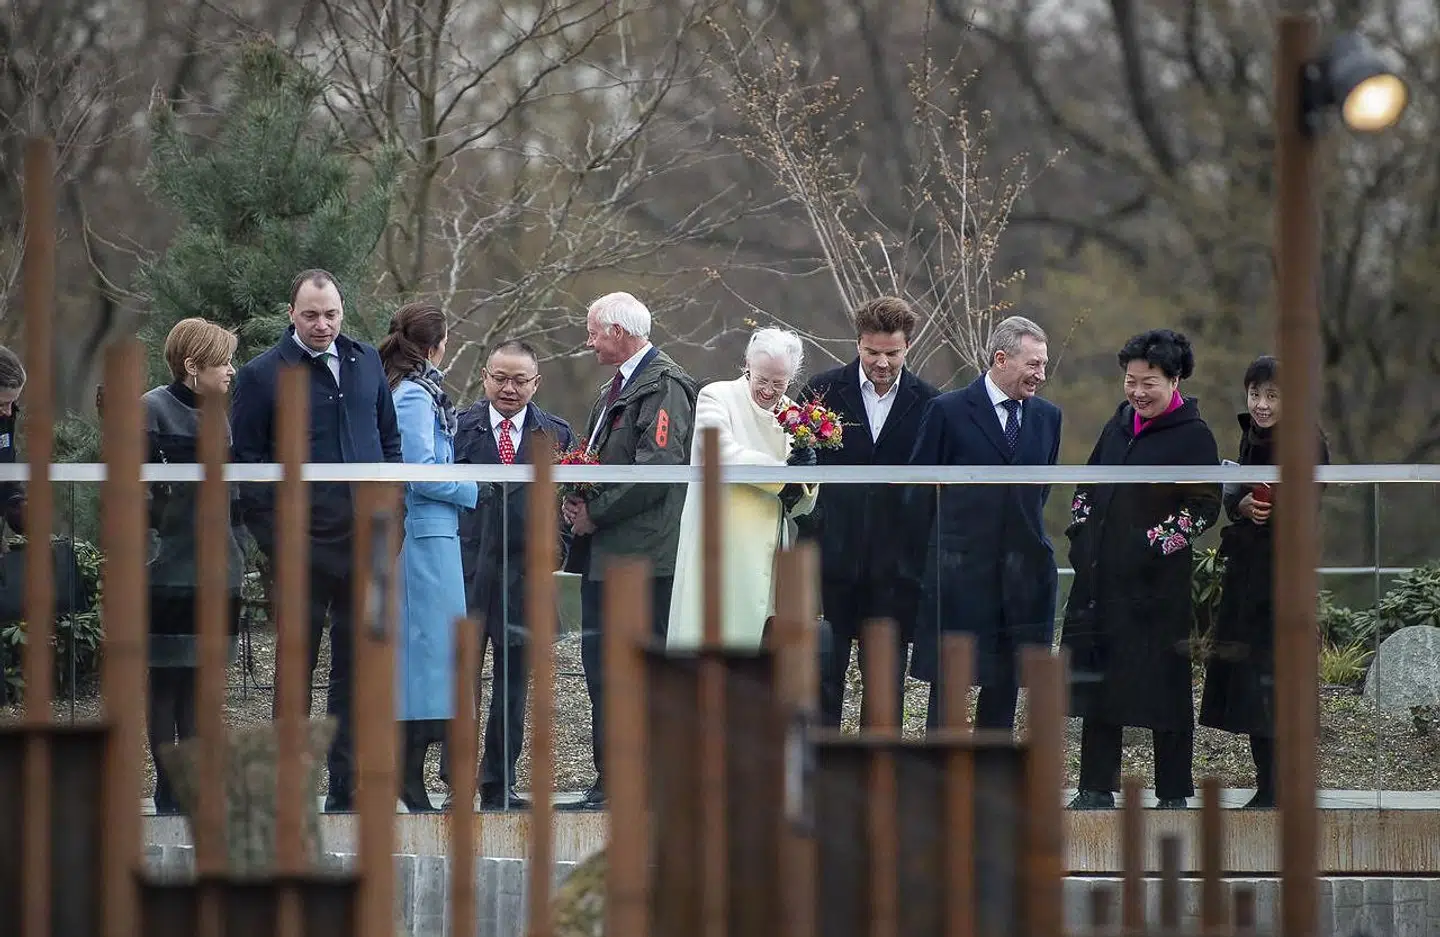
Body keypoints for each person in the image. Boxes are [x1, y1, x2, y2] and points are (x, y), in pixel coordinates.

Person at [231, 269, 403, 812]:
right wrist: (275, 541)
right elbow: (246, 467)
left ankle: (346, 788)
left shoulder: (366, 361)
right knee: (295, 668)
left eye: (331, 314)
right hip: (300, 545)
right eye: (310, 315)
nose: (322, 324)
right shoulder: (262, 375)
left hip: (367, 543)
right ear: (292, 314)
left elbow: (389, 440)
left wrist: (391, 515)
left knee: (357, 671)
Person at [1062, 329, 1221, 810]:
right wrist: (1082, 530)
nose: (1136, 392)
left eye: (1148, 382)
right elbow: (1087, 485)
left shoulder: (1194, 435)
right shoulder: (1117, 425)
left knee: (1165, 688)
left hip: (1156, 588)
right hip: (1101, 582)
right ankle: (1095, 785)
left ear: (1173, 379)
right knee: (1098, 684)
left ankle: (1172, 790)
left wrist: (1151, 544)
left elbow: (1203, 508)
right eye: (1130, 381)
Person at [561, 291, 698, 810]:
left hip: (641, 559)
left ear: (618, 332)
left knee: (636, 673)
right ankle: (610, 780)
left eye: (593, 331)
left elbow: (657, 470)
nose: (589, 341)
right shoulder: (616, 388)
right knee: (602, 670)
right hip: (609, 556)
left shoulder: (663, 386)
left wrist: (597, 512)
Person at [909, 316, 1061, 733]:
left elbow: (1039, 492)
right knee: (950, 680)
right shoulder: (947, 410)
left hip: (1021, 573)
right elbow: (919, 491)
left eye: (1043, 365)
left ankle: (993, 781)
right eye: (1033, 364)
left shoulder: (1049, 417)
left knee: (1007, 680)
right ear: (1000, 359)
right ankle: (939, 777)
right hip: (960, 571)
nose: (1041, 375)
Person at [442, 339, 574, 811]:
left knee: (513, 684)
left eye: (520, 380)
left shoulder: (555, 434)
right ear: (484, 377)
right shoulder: (457, 428)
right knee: (461, 679)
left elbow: (571, 502)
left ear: (536, 383)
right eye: (500, 378)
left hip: (526, 576)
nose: (509, 389)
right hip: (465, 567)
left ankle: (500, 783)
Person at [795, 297, 939, 728]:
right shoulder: (820, 392)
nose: (881, 362)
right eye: (872, 351)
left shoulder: (930, 403)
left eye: (892, 353)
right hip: (828, 559)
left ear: (907, 347)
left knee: (885, 683)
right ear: (857, 343)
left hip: (897, 567)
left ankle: (880, 780)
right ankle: (819, 776)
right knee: (821, 674)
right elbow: (797, 471)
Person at [1198, 356, 1329, 810]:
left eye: (1273, 395)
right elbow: (1238, 500)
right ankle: (1267, 783)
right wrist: (1241, 508)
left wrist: (1267, 509)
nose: (1262, 404)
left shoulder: (1306, 440)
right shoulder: (1251, 435)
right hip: (1248, 574)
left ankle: (1284, 783)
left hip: (1283, 577)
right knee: (1252, 682)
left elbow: (1307, 506)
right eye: (1256, 394)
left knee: (1279, 678)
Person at [143, 318, 246, 815]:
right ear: (192, 365)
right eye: (223, 362)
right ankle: (169, 787)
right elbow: (137, 498)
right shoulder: (152, 409)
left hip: (219, 568)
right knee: (167, 682)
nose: (231, 371)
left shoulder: (219, 417)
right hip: (169, 571)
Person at [378, 303, 478, 813]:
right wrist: (472, 488)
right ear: (436, 344)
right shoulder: (415, 395)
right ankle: (409, 776)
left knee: (433, 660)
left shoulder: (416, 390)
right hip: (423, 535)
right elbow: (420, 470)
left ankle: (413, 774)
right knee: (424, 661)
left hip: (434, 536)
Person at [667, 328, 818, 649]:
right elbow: (720, 452)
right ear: (747, 365)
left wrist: (808, 477)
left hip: (770, 554)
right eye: (762, 379)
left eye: (779, 383)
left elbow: (802, 502)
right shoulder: (716, 396)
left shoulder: (792, 412)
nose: (768, 391)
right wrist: (785, 477)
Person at [0, 346, 26, 537]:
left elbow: (6, 465)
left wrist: (17, 503)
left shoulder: (6, 417)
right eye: (2, 404)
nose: (8, 412)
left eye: (13, 403)